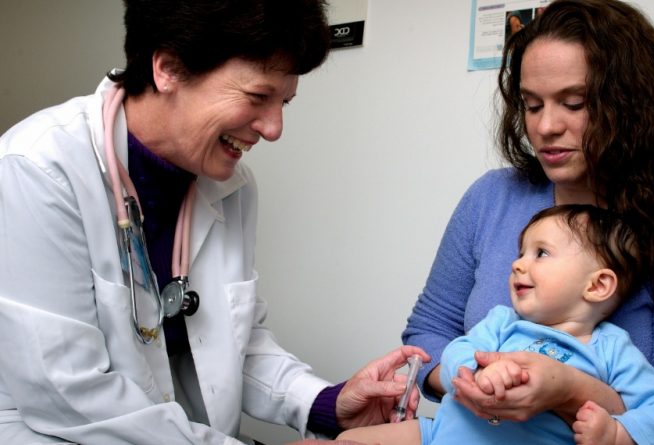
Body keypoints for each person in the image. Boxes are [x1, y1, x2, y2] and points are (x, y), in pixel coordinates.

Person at [0, 1, 429, 444]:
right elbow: (68, 392)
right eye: (258, 97)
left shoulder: (231, 186)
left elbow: (236, 341)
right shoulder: (39, 169)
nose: (274, 128)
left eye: (284, 102)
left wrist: (324, 403)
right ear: (168, 69)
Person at [401, 1, 654, 445]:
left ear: (632, 106)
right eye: (531, 105)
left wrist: (567, 393)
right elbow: (428, 332)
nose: (545, 126)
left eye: (575, 103)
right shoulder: (491, 198)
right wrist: (478, 385)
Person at [339, 205, 654, 445]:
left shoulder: (611, 348)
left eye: (541, 253)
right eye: (521, 252)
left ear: (597, 285)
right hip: (439, 436)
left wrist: (617, 434)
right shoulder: (503, 322)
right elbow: (456, 352)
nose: (517, 265)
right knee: (346, 439)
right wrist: (476, 372)